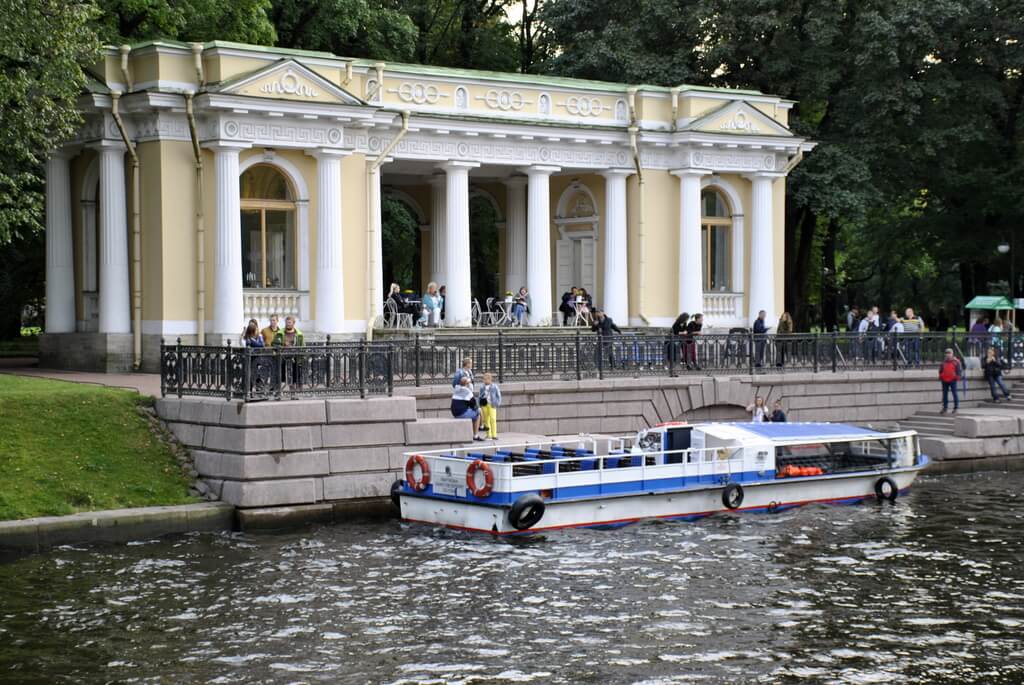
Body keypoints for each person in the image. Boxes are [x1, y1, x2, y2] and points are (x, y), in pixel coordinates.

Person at [451, 375, 483, 441]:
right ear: (467, 384)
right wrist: (478, 409)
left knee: (471, 412)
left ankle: (477, 429)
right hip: (461, 413)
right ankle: (476, 434)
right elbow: (474, 405)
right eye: (470, 383)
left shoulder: (456, 389)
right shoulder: (468, 391)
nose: (471, 384)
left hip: (454, 413)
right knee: (477, 414)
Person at [478, 372, 502, 439]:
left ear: (490, 379)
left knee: (493, 419)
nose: (485, 381)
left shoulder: (494, 386)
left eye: (486, 379)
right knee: (486, 419)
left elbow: (498, 395)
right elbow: (480, 395)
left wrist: (498, 403)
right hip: (484, 404)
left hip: (492, 404)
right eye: (484, 379)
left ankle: (494, 434)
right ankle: (489, 434)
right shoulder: (482, 387)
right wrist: (479, 403)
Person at [938, 348, 962, 415]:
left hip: (953, 380)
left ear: (952, 354)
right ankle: (945, 408)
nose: (948, 355)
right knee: (945, 395)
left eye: (949, 353)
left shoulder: (956, 361)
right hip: (944, 380)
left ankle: (956, 408)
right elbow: (940, 370)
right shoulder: (943, 362)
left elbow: (959, 371)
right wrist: (941, 376)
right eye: (947, 353)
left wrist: (957, 377)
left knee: (954, 394)